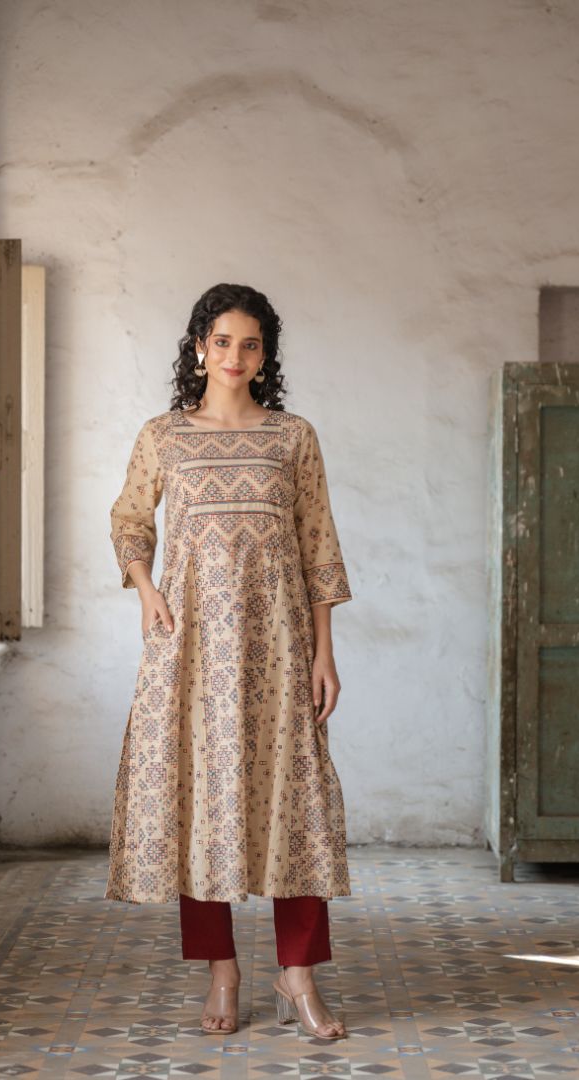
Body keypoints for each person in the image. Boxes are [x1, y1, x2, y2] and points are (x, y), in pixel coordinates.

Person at [105, 283, 353, 1039]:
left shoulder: (293, 438)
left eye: (250, 344)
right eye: (222, 342)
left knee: (296, 800)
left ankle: (298, 973)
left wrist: (324, 652)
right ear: (199, 348)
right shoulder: (164, 436)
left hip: (279, 648)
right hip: (189, 647)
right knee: (198, 796)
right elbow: (129, 518)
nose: (235, 356)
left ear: (266, 355)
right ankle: (222, 970)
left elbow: (319, 545)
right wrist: (146, 589)